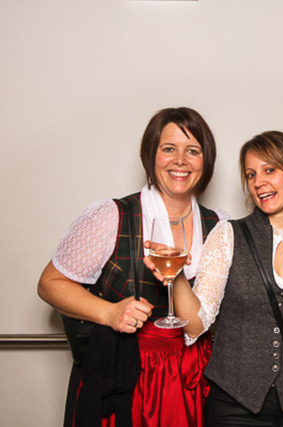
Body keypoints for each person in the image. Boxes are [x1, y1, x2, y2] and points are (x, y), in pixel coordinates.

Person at [37, 107, 228, 426]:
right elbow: (49, 284)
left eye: (193, 151)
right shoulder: (111, 216)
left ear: (205, 160)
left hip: (193, 380)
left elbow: (211, 319)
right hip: (123, 376)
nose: (181, 160)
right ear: (151, 155)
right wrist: (109, 312)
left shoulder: (220, 226)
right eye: (169, 149)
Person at [145, 130, 283, 426]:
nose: (258, 182)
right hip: (233, 407)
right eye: (251, 174)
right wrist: (175, 276)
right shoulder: (228, 234)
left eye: (269, 170)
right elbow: (198, 323)